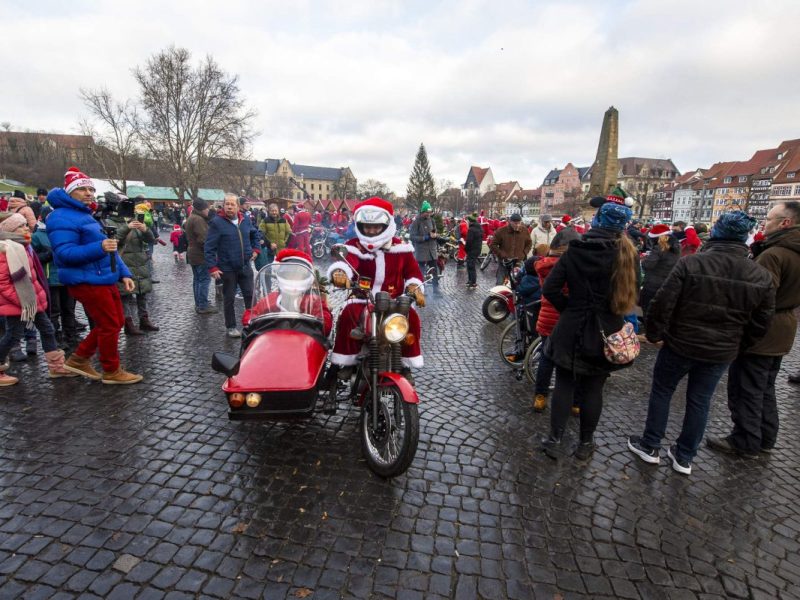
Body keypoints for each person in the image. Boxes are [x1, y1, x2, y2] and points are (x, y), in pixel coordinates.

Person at [627, 211, 775, 475]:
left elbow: (662, 303)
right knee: (700, 400)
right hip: (720, 351)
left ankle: (651, 445)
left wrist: (656, 334)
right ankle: (684, 456)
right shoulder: (760, 275)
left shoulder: (691, 264)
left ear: (717, 232)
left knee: (663, 392)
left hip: (680, 343)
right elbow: (761, 322)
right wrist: (738, 345)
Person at [541, 201, 640, 461]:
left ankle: (555, 440)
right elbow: (636, 292)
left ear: (597, 220)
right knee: (594, 389)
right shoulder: (627, 254)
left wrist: (569, 309)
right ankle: (586, 443)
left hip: (572, 325)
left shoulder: (575, 250)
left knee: (564, 385)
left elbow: (550, 289)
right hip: (607, 330)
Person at [707, 201, 800, 458]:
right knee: (765, 386)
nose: (764, 224)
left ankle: (745, 440)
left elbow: (758, 295)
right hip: (783, 328)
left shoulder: (774, 254)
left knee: (746, 386)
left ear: (785, 223)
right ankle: (766, 436)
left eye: (769, 219)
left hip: (764, 331)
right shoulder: (790, 250)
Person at [47, 167, 143, 384]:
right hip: (86, 280)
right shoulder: (60, 217)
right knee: (109, 324)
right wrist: (100, 247)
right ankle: (111, 370)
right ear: (70, 191)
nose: (88, 193)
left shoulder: (85, 215)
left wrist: (124, 273)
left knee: (115, 321)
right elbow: (64, 254)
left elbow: (109, 248)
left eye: (90, 188)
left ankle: (79, 359)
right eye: (82, 189)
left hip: (103, 276)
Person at [327, 197, 425, 378]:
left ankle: (404, 363)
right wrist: (340, 273)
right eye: (367, 226)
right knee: (348, 315)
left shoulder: (400, 247)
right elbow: (348, 262)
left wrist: (414, 286)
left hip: (393, 301)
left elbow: (413, 272)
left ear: (385, 225)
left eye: (376, 226)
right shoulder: (354, 246)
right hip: (362, 299)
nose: (371, 230)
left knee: (412, 320)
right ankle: (347, 360)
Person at [0, 214, 77, 381]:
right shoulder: (6, 249)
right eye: (22, 226)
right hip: (20, 302)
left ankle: (56, 367)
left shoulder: (23, 246)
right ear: (11, 230)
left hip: (31, 301)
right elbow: (3, 283)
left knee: (48, 330)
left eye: (26, 224)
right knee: (13, 335)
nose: (27, 228)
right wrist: (21, 301)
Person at [204, 193, 260, 337]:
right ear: (223, 206)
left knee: (250, 295)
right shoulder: (217, 222)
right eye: (227, 204)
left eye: (232, 204)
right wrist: (212, 267)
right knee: (229, 298)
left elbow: (255, 234)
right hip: (227, 268)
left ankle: (251, 323)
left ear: (237, 206)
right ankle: (231, 326)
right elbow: (209, 247)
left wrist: (255, 249)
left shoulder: (245, 220)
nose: (229, 207)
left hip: (245, 265)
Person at [245, 249, 332, 335]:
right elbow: (252, 312)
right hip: (275, 338)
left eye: (298, 276)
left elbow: (325, 322)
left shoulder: (313, 300)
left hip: (305, 339)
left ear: (306, 277)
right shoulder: (273, 298)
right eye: (289, 275)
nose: (293, 279)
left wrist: (320, 323)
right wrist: (252, 321)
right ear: (281, 275)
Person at [31, 206, 81, 351]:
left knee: (69, 309)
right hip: (50, 279)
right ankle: (56, 338)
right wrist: (46, 255)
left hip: (67, 277)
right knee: (54, 311)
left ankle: (71, 337)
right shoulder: (37, 236)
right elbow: (33, 259)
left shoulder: (64, 232)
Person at [532, 232, 570, 412]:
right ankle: (575, 403)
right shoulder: (569, 267)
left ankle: (540, 397)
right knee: (569, 361)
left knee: (546, 360)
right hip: (564, 319)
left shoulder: (543, 265)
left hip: (546, 318)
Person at [115, 202, 159, 335]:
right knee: (126, 295)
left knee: (142, 292)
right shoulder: (112, 221)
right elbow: (114, 239)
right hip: (124, 263)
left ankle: (144, 320)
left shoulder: (136, 221)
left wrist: (145, 229)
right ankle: (128, 324)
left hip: (140, 262)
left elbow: (151, 239)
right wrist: (127, 228)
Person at [638, 223, 680, 319]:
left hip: (653, 283)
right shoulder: (676, 246)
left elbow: (648, 265)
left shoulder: (659, 248)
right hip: (668, 282)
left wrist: (644, 260)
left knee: (648, 309)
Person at [185, 198, 217, 314]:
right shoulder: (198, 220)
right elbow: (203, 239)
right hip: (200, 254)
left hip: (193, 253)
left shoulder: (192, 217)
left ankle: (199, 303)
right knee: (204, 280)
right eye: (207, 208)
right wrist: (212, 252)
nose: (208, 210)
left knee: (197, 280)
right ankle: (203, 305)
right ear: (202, 209)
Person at [489, 213, 531, 284]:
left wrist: (524, 253)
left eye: (519, 223)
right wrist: (501, 254)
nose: (517, 225)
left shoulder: (525, 231)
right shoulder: (501, 231)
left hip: (518, 261)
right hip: (504, 261)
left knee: (518, 283)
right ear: (510, 222)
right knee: (500, 283)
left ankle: (515, 295)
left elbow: (529, 243)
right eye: (515, 223)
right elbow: (493, 244)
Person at [409, 201, 439, 286]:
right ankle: (422, 289)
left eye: (430, 212)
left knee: (434, 271)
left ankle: (436, 290)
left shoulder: (432, 220)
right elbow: (412, 236)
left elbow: (435, 232)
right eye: (427, 212)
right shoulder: (416, 222)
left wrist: (435, 235)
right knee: (421, 272)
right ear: (422, 212)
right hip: (422, 250)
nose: (429, 214)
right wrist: (424, 238)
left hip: (432, 250)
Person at [464, 214, 483, 289]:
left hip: (472, 249)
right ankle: (470, 281)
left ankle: (473, 282)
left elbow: (469, 241)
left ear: (470, 221)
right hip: (477, 249)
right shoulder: (479, 228)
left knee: (471, 266)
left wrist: (466, 249)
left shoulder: (471, 229)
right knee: (471, 265)